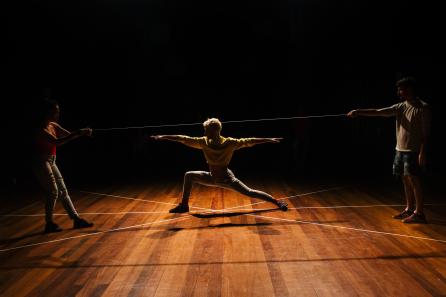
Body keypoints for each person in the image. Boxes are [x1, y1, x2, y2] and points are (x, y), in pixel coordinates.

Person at [150, 118, 288, 213]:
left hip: (228, 179)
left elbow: (250, 141)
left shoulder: (229, 142)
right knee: (189, 175)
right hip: (211, 177)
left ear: (214, 131)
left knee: (250, 192)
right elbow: (183, 138)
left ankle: (277, 202)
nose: (204, 132)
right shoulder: (203, 141)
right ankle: (184, 206)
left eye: (206, 130)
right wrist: (163, 137)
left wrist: (268, 139)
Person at [348, 77, 431, 223]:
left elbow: (426, 134)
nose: (399, 92)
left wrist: (422, 153)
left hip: (414, 151)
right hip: (400, 149)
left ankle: (419, 213)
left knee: (415, 180)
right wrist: (358, 112)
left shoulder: (423, 107)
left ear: (409, 89)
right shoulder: (400, 106)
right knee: (405, 179)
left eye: (401, 89)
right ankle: (409, 209)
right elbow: (379, 112)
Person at [33, 98, 94, 233]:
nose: (57, 114)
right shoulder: (40, 129)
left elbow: (68, 134)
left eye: (58, 111)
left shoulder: (53, 125)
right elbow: (57, 142)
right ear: (47, 112)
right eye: (55, 111)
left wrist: (82, 132)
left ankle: (76, 219)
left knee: (63, 190)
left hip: (51, 160)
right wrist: (77, 133)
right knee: (53, 191)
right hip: (41, 162)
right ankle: (49, 223)